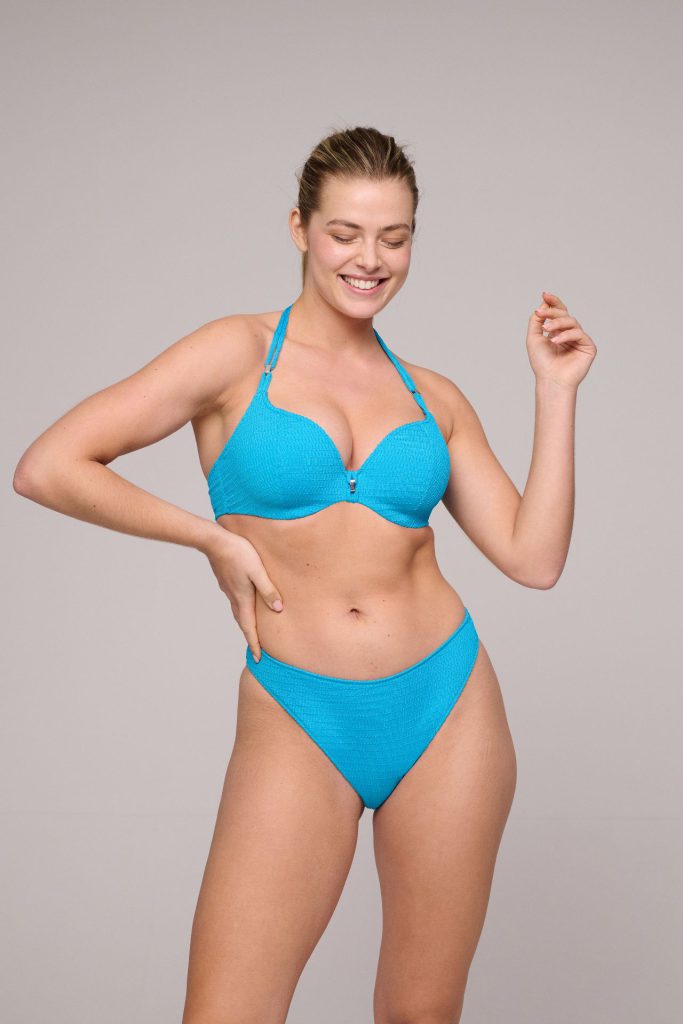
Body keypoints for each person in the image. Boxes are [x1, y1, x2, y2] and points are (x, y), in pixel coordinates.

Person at [13, 125, 597, 1024]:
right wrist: (209, 539)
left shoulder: (433, 397)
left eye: (394, 238)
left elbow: (535, 557)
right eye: (345, 234)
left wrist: (554, 393)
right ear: (299, 228)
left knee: (420, 1014)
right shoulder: (234, 354)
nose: (370, 259)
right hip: (299, 707)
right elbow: (48, 466)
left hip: (446, 703)